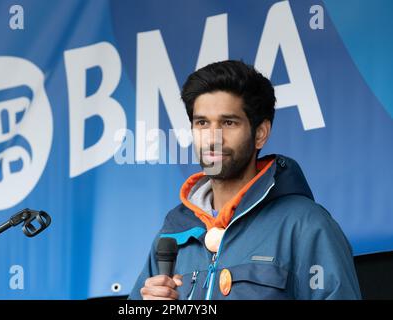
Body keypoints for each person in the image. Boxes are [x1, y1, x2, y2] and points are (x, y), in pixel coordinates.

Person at [128, 60, 361, 300]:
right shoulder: (173, 232)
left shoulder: (305, 225)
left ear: (260, 134)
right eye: (202, 123)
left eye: (228, 123)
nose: (212, 138)